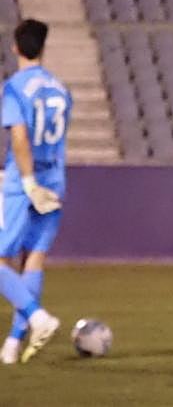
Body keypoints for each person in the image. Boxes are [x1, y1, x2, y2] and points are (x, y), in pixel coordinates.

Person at [0, 20, 68, 365]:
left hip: (22, 182)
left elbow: (19, 138)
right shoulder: (59, 89)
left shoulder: (14, 87)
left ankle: (37, 317)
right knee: (34, 259)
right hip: (54, 181)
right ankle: (13, 343)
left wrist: (26, 182)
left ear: (15, 47)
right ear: (42, 47)